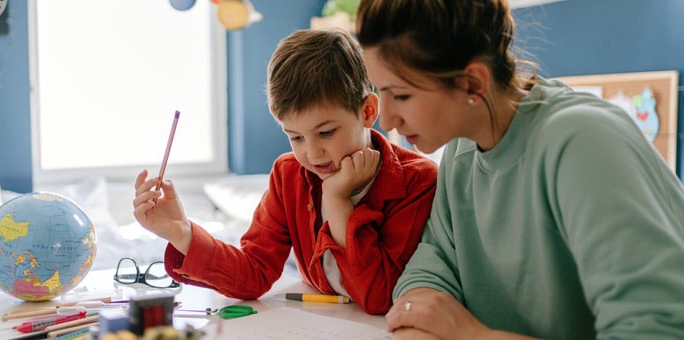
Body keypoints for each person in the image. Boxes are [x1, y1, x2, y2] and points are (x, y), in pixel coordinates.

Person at [356, 0, 684, 338]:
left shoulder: (583, 142)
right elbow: (431, 266)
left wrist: (470, 334)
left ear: (472, 84)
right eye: (382, 91)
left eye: (402, 95)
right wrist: (419, 318)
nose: (388, 119)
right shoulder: (461, 149)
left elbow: (654, 330)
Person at [132, 29, 438, 315]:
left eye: (327, 132)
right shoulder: (288, 174)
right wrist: (180, 232)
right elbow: (254, 273)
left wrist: (337, 201)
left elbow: (378, 297)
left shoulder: (418, 181)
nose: (312, 153)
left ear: (368, 111)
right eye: (296, 137)